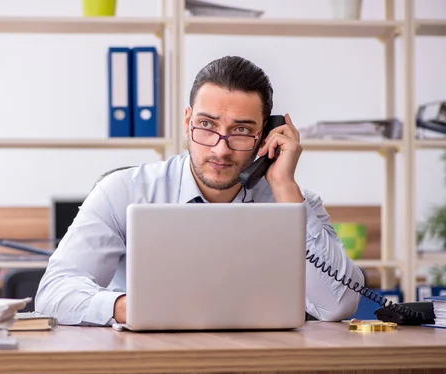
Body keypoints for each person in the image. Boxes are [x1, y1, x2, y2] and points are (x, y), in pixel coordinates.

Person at [35, 56, 365, 326]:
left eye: (241, 131)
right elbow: (54, 293)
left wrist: (283, 187)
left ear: (266, 136)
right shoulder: (123, 191)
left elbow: (338, 304)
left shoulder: (291, 199)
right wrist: (127, 307)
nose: (220, 150)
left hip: (260, 363)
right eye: (207, 126)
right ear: (187, 122)